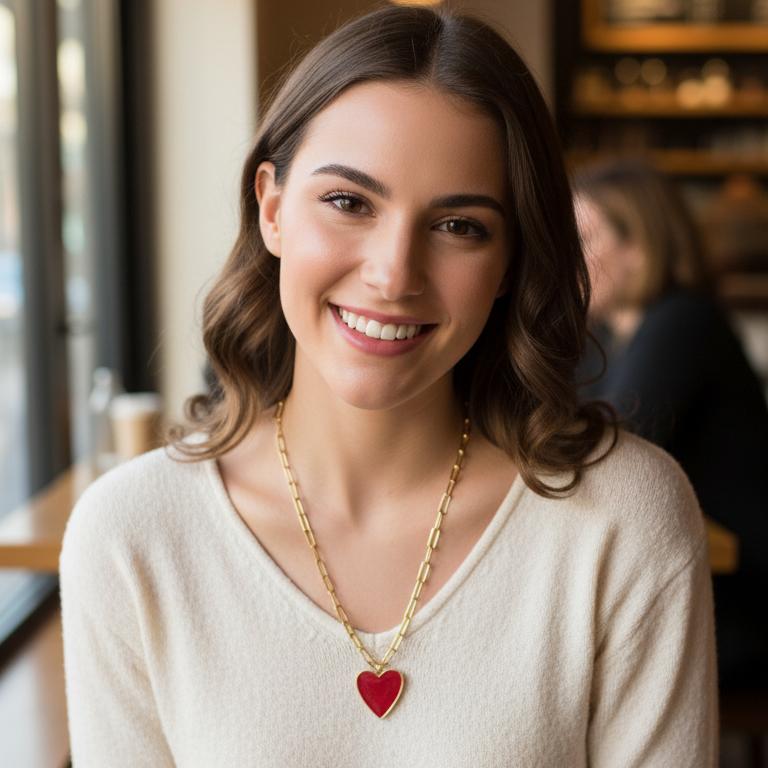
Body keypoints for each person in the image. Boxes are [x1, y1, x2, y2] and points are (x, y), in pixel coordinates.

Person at [60, 7, 717, 766]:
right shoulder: (131, 537)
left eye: (460, 225)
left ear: (509, 261)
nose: (392, 274)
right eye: (348, 203)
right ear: (272, 209)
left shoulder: (626, 522)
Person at [574, 158, 768, 692]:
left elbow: (603, 455)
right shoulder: (609, 336)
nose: (568, 259)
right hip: (683, 580)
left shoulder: (683, 321)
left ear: (639, 248)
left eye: (585, 239)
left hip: (738, 602)